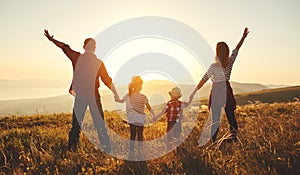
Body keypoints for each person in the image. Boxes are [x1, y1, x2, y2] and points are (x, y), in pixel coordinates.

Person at [44, 30, 121, 152]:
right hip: (94, 97)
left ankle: (72, 149)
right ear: (95, 48)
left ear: (84, 47)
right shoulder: (98, 63)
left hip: (80, 97)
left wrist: (52, 39)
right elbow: (108, 81)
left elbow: (65, 47)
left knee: (76, 125)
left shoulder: (77, 57)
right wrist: (116, 95)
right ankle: (107, 148)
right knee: (100, 124)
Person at [190, 27, 249, 142]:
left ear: (217, 52)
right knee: (231, 116)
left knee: (215, 119)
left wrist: (194, 92)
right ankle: (233, 138)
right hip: (226, 90)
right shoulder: (229, 62)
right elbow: (236, 50)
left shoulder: (214, 66)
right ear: (226, 51)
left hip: (216, 91)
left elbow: (204, 79)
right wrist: (243, 37)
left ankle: (213, 141)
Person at [116, 76, 155, 159]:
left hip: (132, 119)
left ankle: (131, 151)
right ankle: (140, 151)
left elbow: (121, 101)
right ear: (140, 86)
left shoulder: (128, 95)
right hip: (140, 119)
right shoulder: (143, 97)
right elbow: (148, 107)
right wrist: (154, 115)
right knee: (140, 135)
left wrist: (117, 99)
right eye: (141, 85)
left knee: (132, 135)